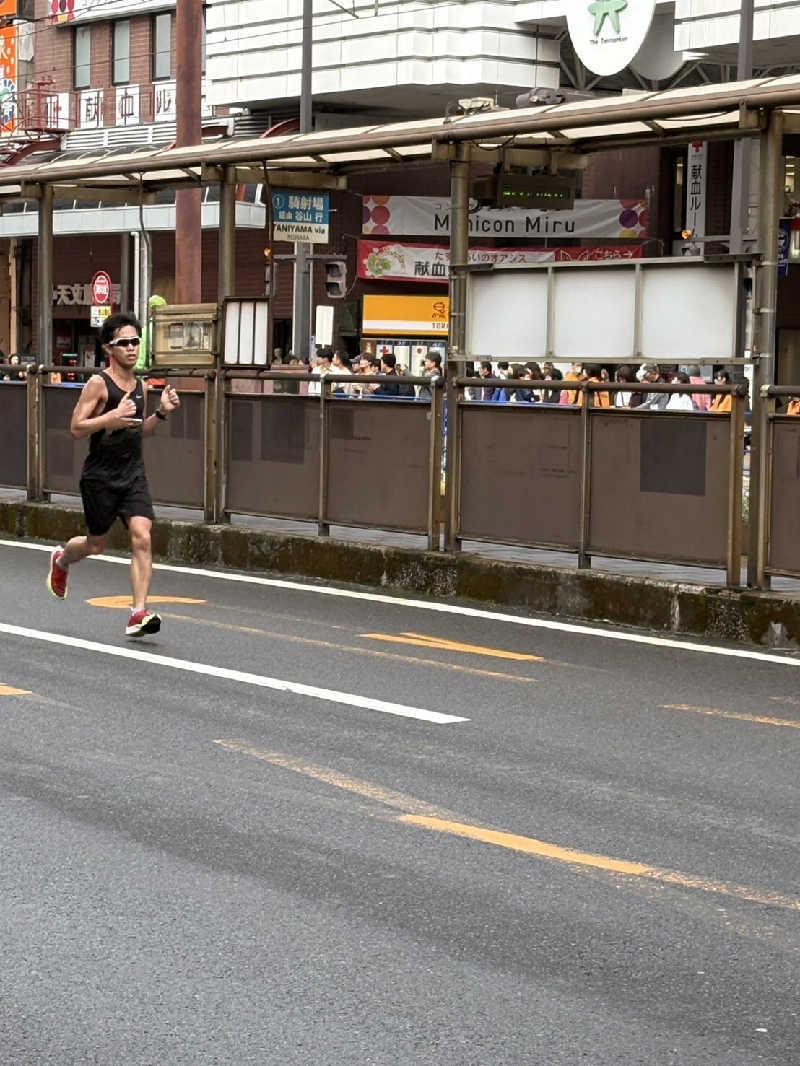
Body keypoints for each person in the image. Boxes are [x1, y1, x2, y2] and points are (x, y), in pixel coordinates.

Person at [45, 312, 181, 637]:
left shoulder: (141, 387)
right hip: (100, 478)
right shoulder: (98, 384)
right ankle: (62, 561)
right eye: (125, 343)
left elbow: (139, 431)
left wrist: (161, 413)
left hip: (133, 474)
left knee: (143, 538)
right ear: (110, 347)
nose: (132, 348)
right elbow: (76, 428)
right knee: (95, 546)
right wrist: (110, 418)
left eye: (136, 341)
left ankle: (138, 613)